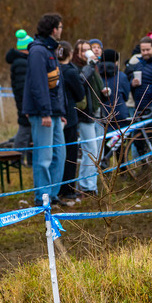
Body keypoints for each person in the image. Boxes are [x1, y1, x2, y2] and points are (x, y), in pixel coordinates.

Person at [23, 13, 67, 206]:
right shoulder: (38, 51)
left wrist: (60, 111)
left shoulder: (50, 49)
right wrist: (45, 112)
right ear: (53, 29)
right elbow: (38, 84)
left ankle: (53, 195)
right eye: (60, 27)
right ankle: (42, 197)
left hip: (55, 112)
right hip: (43, 113)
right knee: (44, 156)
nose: (61, 30)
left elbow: (57, 84)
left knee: (60, 153)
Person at [76, 40, 107, 196]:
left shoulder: (93, 68)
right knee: (91, 150)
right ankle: (87, 186)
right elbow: (80, 82)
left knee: (94, 151)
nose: (88, 53)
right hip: (84, 115)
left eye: (89, 50)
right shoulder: (79, 68)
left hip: (95, 112)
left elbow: (97, 88)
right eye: (84, 51)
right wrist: (89, 66)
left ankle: (88, 184)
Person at [58, 41, 84, 202]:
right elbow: (80, 94)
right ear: (70, 53)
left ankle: (59, 186)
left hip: (57, 115)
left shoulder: (54, 69)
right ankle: (67, 188)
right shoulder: (70, 72)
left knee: (59, 153)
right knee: (70, 154)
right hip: (69, 115)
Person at [5, 29, 32, 156]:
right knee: (25, 129)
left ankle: (25, 158)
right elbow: (22, 88)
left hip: (25, 102)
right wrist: (25, 106)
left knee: (28, 130)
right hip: (24, 103)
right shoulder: (21, 63)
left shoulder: (22, 61)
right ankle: (16, 157)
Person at [99, 48, 130, 133]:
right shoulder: (122, 76)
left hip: (101, 115)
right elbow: (126, 96)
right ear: (116, 61)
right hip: (119, 115)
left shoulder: (97, 75)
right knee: (119, 143)